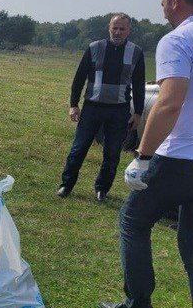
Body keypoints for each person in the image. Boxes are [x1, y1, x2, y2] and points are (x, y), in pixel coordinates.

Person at [100, 0, 193, 308]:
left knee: (133, 218)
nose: (162, 10)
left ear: (173, 1)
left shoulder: (178, 39)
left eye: (163, 3)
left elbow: (168, 103)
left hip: (184, 154)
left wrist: (144, 156)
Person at [57, 14, 146, 202]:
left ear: (128, 31)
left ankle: (102, 189)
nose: (118, 32)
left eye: (122, 29)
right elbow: (79, 77)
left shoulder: (136, 52)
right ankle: (66, 185)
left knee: (112, 153)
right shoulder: (94, 48)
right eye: (115, 28)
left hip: (119, 110)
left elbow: (139, 84)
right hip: (92, 108)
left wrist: (138, 112)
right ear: (109, 28)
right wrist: (73, 105)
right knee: (78, 149)